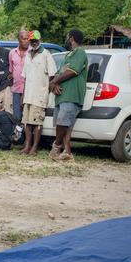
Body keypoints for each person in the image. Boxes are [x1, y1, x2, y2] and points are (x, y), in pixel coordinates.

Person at [48, 29, 88, 162]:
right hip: (62, 95)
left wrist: (54, 81)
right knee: (65, 125)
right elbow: (59, 73)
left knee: (62, 122)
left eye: (66, 37)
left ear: (71, 38)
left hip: (72, 95)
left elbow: (72, 71)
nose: (65, 40)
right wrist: (55, 84)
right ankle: (67, 152)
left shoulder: (80, 53)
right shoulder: (68, 55)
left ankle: (56, 146)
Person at [18, 31, 57, 156]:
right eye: (32, 40)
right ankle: (27, 147)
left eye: (36, 40)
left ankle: (34, 148)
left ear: (40, 39)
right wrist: (23, 95)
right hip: (28, 95)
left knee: (37, 123)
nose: (34, 42)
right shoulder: (28, 55)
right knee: (28, 123)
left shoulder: (46, 55)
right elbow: (25, 77)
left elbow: (52, 75)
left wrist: (50, 91)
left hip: (40, 95)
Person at [9, 30, 30, 121]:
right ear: (18, 40)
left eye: (27, 39)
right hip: (16, 89)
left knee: (28, 117)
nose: (26, 41)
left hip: (29, 90)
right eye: (24, 39)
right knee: (16, 117)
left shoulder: (32, 52)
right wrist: (13, 75)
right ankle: (19, 135)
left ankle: (27, 135)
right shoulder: (12, 53)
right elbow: (11, 69)